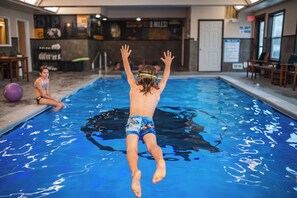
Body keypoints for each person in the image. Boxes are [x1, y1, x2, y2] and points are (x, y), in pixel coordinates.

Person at [120, 44, 174, 198]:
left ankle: (135, 173)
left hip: (133, 121)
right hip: (148, 122)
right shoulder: (157, 90)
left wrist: (125, 57)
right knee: (152, 145)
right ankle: (160, 162)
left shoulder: (134, 86)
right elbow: (165, 78)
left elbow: (128, 71)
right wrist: (168, 64)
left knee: (132, 150)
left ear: (140, 76)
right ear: (154, 78)